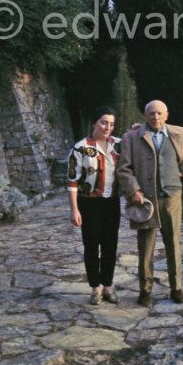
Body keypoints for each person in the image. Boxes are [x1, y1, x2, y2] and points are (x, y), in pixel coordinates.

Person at [116, 99, 183, 307]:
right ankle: (145, 291)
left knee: (173, 243)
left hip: (172, 198)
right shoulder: (131, 137)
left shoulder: (180, 133)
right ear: (145, 116)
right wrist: (134, 190)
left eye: (159, 113)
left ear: (166, 115)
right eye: (151, 114)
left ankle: (176, 288)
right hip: (146, 200)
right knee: (145, 247)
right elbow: (124, 169)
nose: (155, 117)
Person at [67, 106, 121, 306]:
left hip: (112, 202)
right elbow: (72, 181)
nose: (108, 127)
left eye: (112, 124)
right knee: (91, 246)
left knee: (110, 245)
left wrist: (136, 127)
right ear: (94, 123)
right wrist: (74, 209)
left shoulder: (119, 145)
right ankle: (95, 289)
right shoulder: (80, 147)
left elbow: (139, 139)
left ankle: (108, 286)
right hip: (89, 203)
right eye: (104, 122)